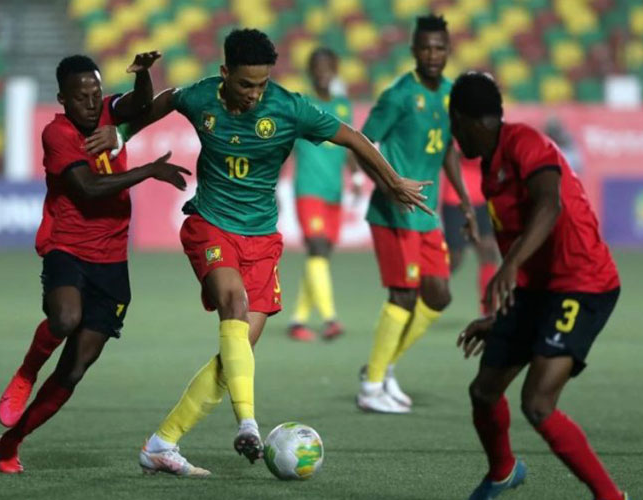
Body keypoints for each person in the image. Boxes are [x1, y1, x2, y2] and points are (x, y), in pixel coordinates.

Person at [107, 28, 430, 476]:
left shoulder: (289, 107)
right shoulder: (200, 97)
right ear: (224, 74)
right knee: (234, 308)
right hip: (211, 225)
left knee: (234, 354)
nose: (255, 94)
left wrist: (392, 182)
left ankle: (162, 444)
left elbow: (353, 137)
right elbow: (163, 100)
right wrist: (121, 133)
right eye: (245, 84)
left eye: (261, 84)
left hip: (262, 240)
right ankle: (249, 424)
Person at [0, 52, 192, 474]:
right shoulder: (57, 133)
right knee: (65, 319)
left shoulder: (106, 111)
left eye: (95, 92)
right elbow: (89, 188)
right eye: (80, 95)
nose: (90, 101)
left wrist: (143, 78)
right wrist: (147, 171)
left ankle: (12, 441)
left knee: (75, 368)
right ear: (63, 99)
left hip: (113, 260)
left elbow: (138, 106)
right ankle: (26, 371)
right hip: (68, 247)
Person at [451, 71, 626, 500]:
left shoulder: (526, 144)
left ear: (467, 121)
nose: (455, 137)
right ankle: (503, 471)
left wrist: (508, 266)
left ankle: (612, 497)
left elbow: (551, 203)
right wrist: (503, 316)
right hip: (538, 290)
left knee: (538, 403)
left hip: (582, 282)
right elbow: (525, 235)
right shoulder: (490, 167)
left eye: (455, 126)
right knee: (484, 391)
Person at [357, 14, 478, 414]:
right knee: (404, 295)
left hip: (427, 215)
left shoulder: (451, 95)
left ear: (448, 51)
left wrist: (462, 198)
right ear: (413, 51)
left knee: (439, 295)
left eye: (439, 47)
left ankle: (382, 365)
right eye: (425, 47)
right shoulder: (398, 95)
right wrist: (389, 185)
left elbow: (445, 148)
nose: (432, 54)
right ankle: (371, 387)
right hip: (393, 213)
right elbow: (362, 143)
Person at [286, 47, 362, 342]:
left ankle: (298, 320)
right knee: (317, 248)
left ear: (335, 68)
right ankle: (330, 319)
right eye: (317, 67)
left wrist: (355, 175)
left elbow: (350, 144)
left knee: (320, 256)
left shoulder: (343, 106)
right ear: (310, 71)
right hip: (308, 189)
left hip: (334, 192)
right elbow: (285, 145)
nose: (322, 72)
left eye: (327, 66)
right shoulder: (302, 105)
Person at [441, 148, 500, 315]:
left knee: (488, 252)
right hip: (457, 201)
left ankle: (488, 310)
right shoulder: (459, 125)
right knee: (455, 258)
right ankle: (423, 291)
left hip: (482, 199)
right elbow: (458, 153)